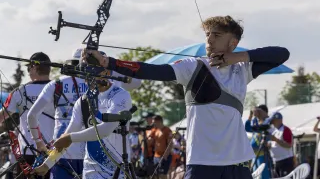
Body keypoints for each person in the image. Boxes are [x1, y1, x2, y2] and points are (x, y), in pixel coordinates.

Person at [81, 15, 290, 179]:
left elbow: (282, 53)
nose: (209, 40)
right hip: (202, 162)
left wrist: (237, 57)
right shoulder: (193, 66)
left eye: (216, 35)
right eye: (207, 34)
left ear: (232, 42)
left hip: (238, 160)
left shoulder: (242, 70)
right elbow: (154, 71)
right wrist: (109, 62)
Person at [27, 48, 141, 179]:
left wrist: (70, 138)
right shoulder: (83, 101)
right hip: (90, 173)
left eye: (91, 75)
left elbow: (105, 130)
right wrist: (46, 165)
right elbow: (65, 139)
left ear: (105, 72)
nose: (87, 81)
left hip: (117, 172)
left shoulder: (120, 96)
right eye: (85, 76)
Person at [0, 52, 55, 179]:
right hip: (56, 155)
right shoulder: (59, 89)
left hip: (29, 156)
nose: (28, 71)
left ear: (34, 67)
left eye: (29, 68)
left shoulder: (20, 92)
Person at [245, 104, 271, 179]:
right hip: (255, 156)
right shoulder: (256, 124)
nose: (257, 114)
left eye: (260, 111)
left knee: (263, 176)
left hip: (263, 156)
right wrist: (250, 114)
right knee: (256, 176)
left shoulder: (267, 123)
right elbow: (247, 128)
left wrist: (262, 114)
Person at [268, 112, 294, 177]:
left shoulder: (285, 130)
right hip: (276, 161)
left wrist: (276, 140)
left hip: (285, 161)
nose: (272, 123)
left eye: (274, 121)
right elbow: (274, 145)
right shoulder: (274, 131)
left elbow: (289, 145)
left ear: (279, 120)